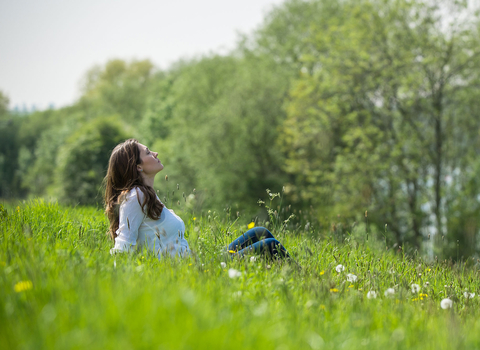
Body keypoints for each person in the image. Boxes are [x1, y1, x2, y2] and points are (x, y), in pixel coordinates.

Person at [104, 139, 290, 260]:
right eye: (148, 152)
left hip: (197, 260)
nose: (155, 153)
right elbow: (123, 245)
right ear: (138, 166)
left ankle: (296, 277)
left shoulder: (148, 195)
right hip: (193, 270)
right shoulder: (136, 196)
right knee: (270, 245)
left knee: (260, 232)